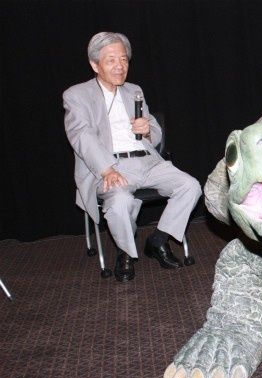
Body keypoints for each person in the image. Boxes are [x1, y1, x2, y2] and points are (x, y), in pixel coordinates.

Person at [63, 32, 202, 282]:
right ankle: (125, 252)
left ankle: (158, 240)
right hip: (110, 165)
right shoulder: (76, 95)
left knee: (190, 186)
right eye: (112, 60)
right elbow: (81, 136)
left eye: (124, 60)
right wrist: (106, 169)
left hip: (146, 160)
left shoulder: (134, 90)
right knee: (119, 202)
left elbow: (155, 134)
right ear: (95, 65)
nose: (120, 66)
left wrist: (147, 130)